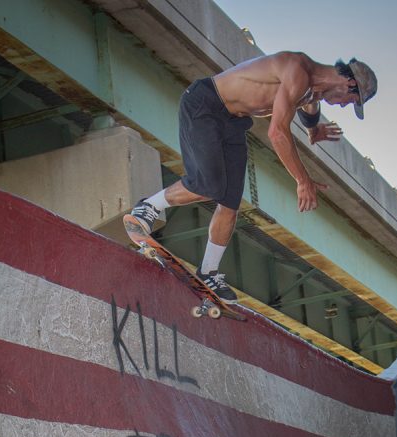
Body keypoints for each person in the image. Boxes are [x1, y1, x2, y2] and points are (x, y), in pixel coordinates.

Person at [130, 51, 377, 303]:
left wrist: (313, 130)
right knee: (207, 184)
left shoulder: (313, 90)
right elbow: (277, 133)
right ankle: (148, 207)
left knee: (230, 203)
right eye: (351, 100)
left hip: (234, 123)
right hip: (206, 104)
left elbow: (310, 106)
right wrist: (303, 180)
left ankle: (208, 272)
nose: (344, 106)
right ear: (349, 83)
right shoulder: (297, 70)